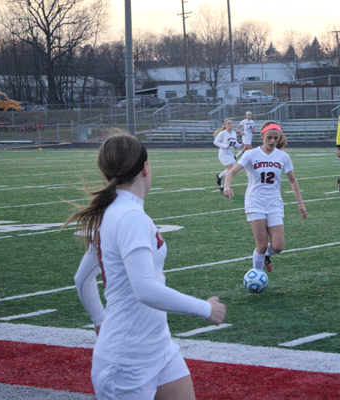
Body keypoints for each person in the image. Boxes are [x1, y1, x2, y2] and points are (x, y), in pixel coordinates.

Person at [64, 134, 226, 400]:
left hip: (158, 347)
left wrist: (100, 321)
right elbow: (145, 290)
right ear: (145, 168)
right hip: (127, 362)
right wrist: (205, 309)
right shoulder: (129, 217)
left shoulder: (116, 212)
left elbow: (82, 279)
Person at [223, 121, 307, 272]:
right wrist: (227, 186)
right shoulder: (251, 154)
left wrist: (301, 203)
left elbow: (293, 180)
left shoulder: (283, 156)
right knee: (261, 245)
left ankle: (264, 256)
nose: (273, 141)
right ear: (262, 135)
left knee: (278, 246)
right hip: (255, 202)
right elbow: (231, 172)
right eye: (269, 137)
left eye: (276, 138)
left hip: (274, 203)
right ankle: (257, 274)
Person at [213, 118, 242, 191]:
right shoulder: (223, 133)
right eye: (228, 123)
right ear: (225, 125)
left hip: (231, 154)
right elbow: (215, 142)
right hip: (224, 154)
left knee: (231, 171)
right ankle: (219, 176)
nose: (230, 124)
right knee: (230, 170)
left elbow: (235, 144)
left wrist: (242, 145)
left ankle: (222, 185)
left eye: (231, 123)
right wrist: (224, 146)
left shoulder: (234, 133)